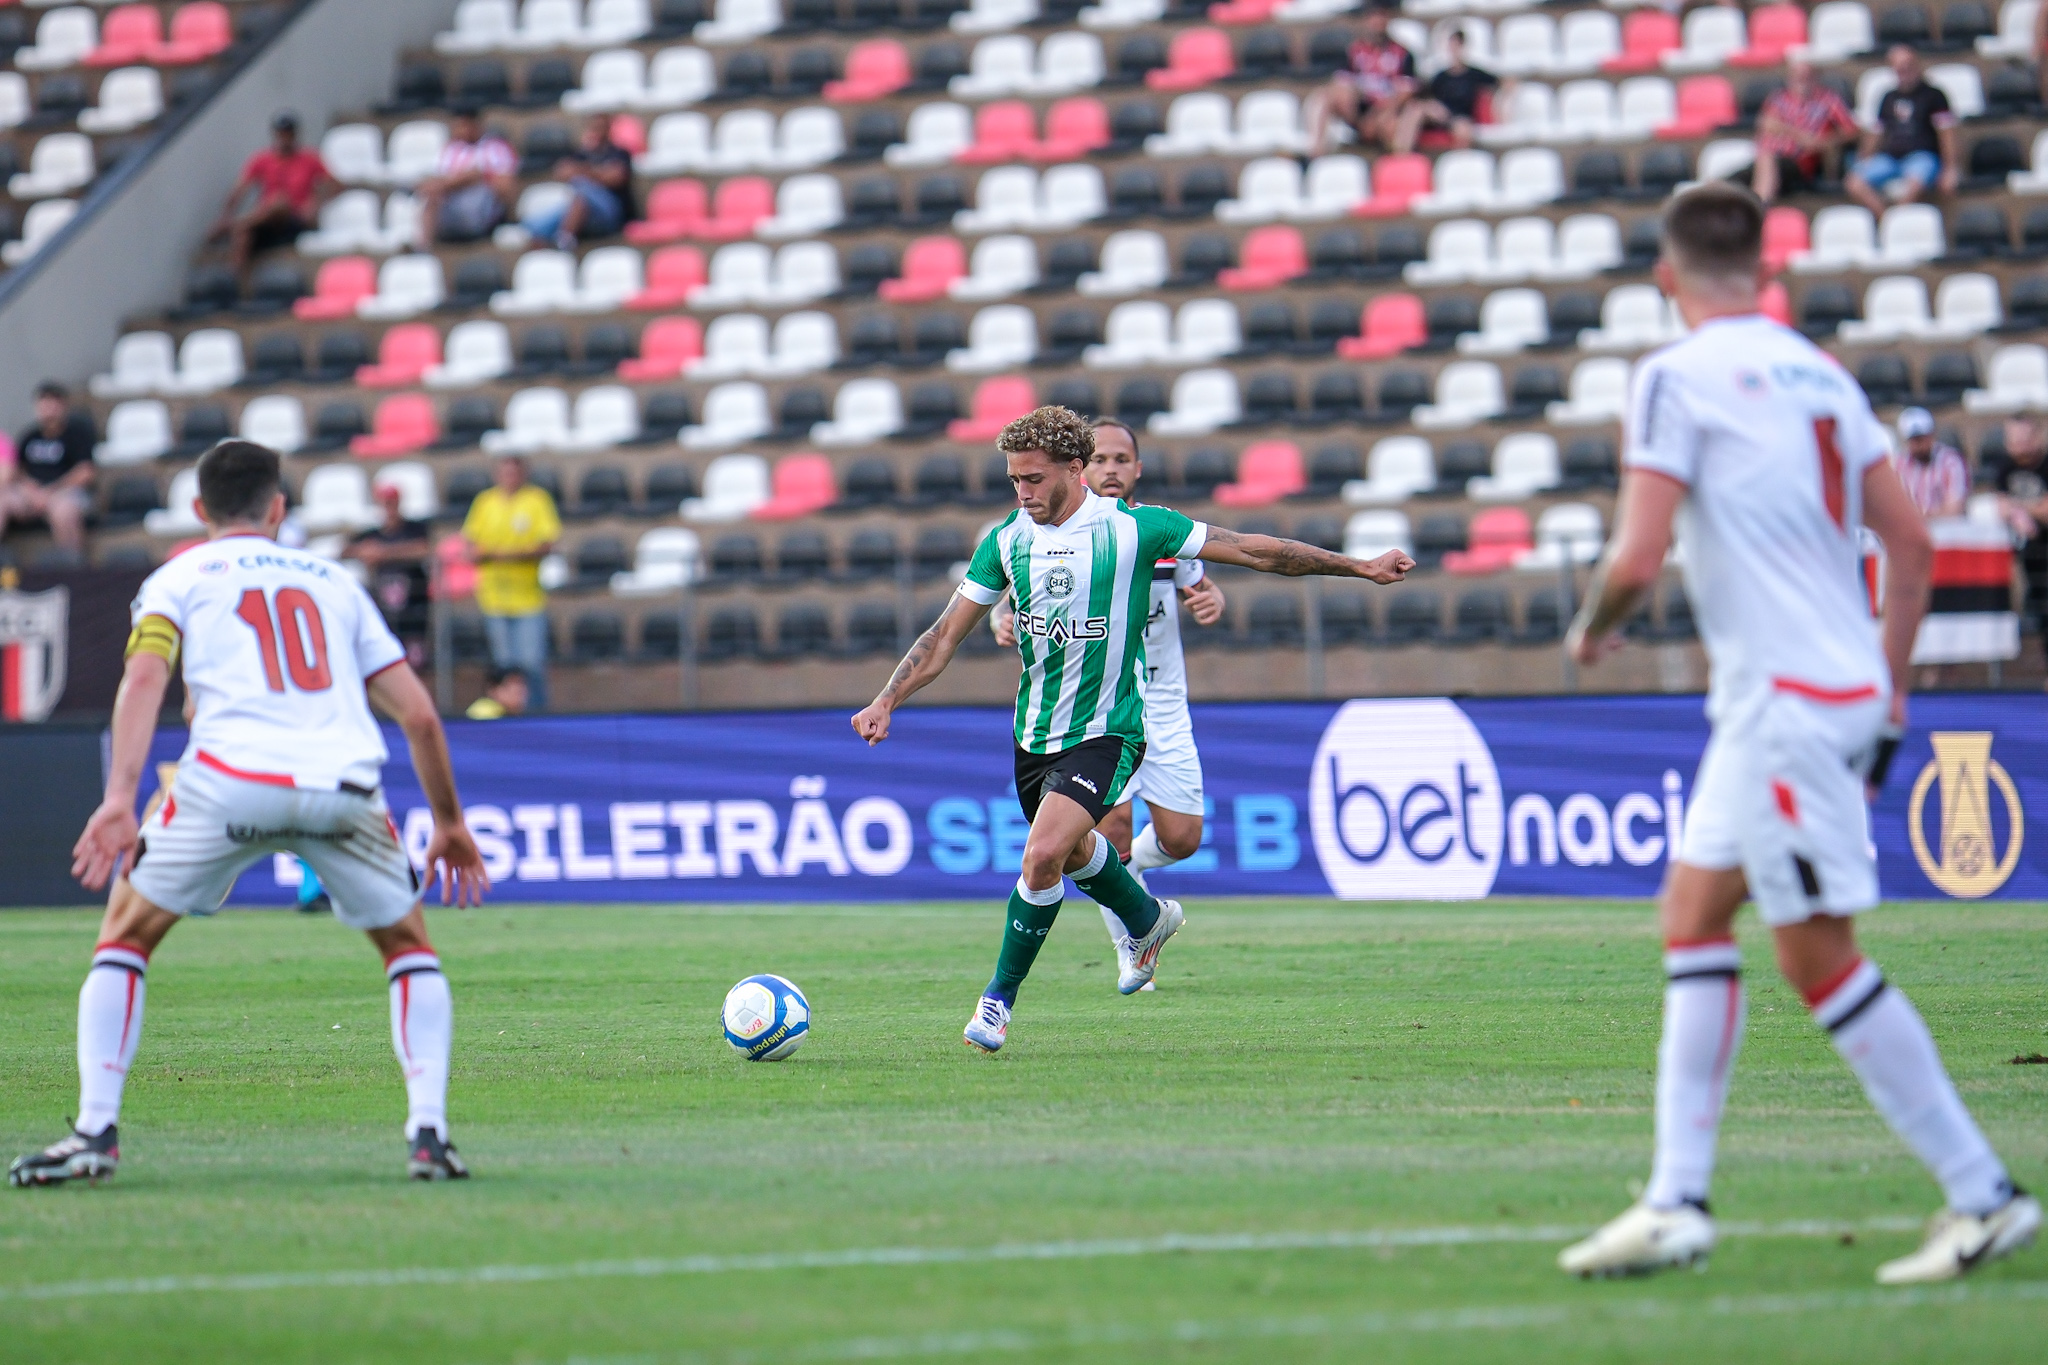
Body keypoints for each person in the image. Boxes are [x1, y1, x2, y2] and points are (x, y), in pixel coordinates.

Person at [1559, 183, 2038, 1284]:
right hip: (1805, 697)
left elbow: (1634, 559)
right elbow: (1910, 545)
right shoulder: (1819, 372)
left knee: (1812, 952)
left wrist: (1592, 631)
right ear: (1763, 272)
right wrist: (1892, 690)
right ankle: (1674, 1200)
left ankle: (1980, 1193)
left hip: (1784, 702)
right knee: (1692, 912)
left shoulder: (1672, 375)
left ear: (1664, 279)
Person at [850, 406, 1414, 1054]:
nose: (1023, 492)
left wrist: (1359, 567)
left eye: (1033, 478)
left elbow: (1258, 550)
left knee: (1041, 857)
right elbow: (945, 633)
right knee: (1073, 850)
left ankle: (996, 1004)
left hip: (1113, 727)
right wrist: (887, 698)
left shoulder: (1138, 529)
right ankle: (1146, 920)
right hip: (1035, 735)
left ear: (1072, 468)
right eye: (1013, 480)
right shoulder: (1007, 540)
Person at [8, 441, 489, 1190]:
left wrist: (119, 798)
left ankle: (94, 1130)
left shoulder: (178, 576)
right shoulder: (337, 581)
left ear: (199, 511)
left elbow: (143, 677)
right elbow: (421, 717)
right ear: (279, 510)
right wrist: (450, 824)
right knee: (406, 946)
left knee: (126, 936)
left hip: (227, 780)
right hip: (341, 786)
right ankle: (429, 1132)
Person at [991, 419, 1225, 991]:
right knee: (1105, 831)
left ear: (1138, 469)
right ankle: (1132, 948)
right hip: (1098, 708)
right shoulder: (1039, 536)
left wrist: (1212, 598)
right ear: (1080, 469)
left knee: (1183, 838)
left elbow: (1200, 583)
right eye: (1101, 460)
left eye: (1123, 459)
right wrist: (1001, 617)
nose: (1111, 468)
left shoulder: (1152, 532)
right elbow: (1010, 596)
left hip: (1162, 699)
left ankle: (1136, 878)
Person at [462, 454, 559, 712]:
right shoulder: (485, 502)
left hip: (528, 599)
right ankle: (506, 718)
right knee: (503, 665)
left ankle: (538, 716)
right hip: (494, 598)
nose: (510, 478)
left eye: (514, 472)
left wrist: (502, 555)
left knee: (531, 663)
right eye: (505, 472)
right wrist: (508, 553)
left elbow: (547, 543)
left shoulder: (537, 500)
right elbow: (471, 546)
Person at [208, 112, 338, 273]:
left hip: (294, 219)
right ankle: (235, 281)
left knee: (279, 203)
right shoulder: (262, 159)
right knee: (243, 235)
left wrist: (316, 205)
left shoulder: (309, 158)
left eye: (288, 134)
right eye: (281, 134)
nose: (285, 138)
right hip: (265, 220)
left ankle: (233, 226)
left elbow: (334, 185)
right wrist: (225, 214)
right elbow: (239, 189)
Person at [1846, 47, 1958, 215]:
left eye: (1907, 65)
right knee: (1854, 182)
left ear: (1917, 65)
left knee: (1914, 184)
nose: (1904, 70)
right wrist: (1864, 159)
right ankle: (1886, 218)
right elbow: (1877, 133)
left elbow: (1947, 133)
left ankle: (1897, 220)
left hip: (1922, 156)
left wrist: (1950, 168)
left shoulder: (1934, 95)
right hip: (1891, 159)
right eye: (1899, 66)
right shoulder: (1888, 97)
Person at [1, 382, 97, 561]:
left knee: (64, 510)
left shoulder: (77, 435)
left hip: (64, 492)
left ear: (63, 407)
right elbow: (18, 471)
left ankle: (72, 563)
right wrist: (31, 490)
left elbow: (85, 472)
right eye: (44, 405)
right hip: (31, 494)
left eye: (53, 405)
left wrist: (51, 491)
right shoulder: (30, 436)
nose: (48, 410)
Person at [1307, 7, 1418, 158]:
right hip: (1359, 110)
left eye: (1381, 16)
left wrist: (1378, 114)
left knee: (1394, 124)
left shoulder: (1402, 53)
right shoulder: (1355, 50)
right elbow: (1341, 82)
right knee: (1322, 97)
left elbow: (1406, 92)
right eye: (1373, 17)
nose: (1377, 22)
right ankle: (1316, 152)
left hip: (1385, 111)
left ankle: (1392, 162)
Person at [1748, 58, 1858, 203]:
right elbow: (1767, 124)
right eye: (1797, 75)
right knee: (1729, 181)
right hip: (1766, 156)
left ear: (1816, 77)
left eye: (1806, 75)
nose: (1801, 80)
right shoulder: (1778, 98)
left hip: (1798, 161)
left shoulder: (1828, 100)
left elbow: (1851, 131)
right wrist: (1799, 135)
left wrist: (1822, 142)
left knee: (1768, 161)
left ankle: (1761, 205)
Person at [346, 483, 433, 664]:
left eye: (392, 503)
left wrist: (384, 553)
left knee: (417, 659)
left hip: (413, 606)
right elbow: (345, 549)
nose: (389, 508)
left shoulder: (414, 529)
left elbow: (424, 548)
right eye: (385, 503)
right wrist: (364, 551)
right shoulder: (371, 534)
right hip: (384, 608)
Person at [521, 114, 636, 251]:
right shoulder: (581, 154)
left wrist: (582, 171)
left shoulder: (618, 153)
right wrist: (594, 170)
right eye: (594, 128)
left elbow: (615, 176)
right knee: (538, 224)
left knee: (582, 194)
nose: (597, 132)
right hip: (584, 213)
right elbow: (562, 171)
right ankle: (540, 241)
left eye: (600, 128)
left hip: (610, 213)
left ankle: (564, 240)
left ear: (608, 130)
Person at [1985, 415, 2048, 650]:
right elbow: (2001, 506)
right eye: (2014, 440)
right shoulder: (2005, 467)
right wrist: (2025, 511)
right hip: (2028, 550)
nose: (2019, 446)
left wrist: (2020, 507)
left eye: (2024, 439)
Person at [413, 105, 518, 246]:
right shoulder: (451, 149)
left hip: (483, 202)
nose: (459, 130)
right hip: (452, 202)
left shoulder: (495, 147)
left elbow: (502, 182)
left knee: (471, 175)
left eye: (463, 126)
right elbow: (440, 176)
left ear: (475, 125)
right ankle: (422, 247)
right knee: (432, 195)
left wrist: (448, 183)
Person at [1414, 29, 1500, 151]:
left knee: (1462, 128)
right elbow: (1427, 96)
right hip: (1441, 117)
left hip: (1461, 117)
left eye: (1458, 45)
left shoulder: (1474, 74)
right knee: (1415, 110)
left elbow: (1497, 83)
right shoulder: (1440, 77)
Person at [1890, 408, 1969, 520]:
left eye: (1922, 439)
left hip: (1946, 529)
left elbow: (1954, 509)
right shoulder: (1900, 465)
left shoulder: (1951, 463)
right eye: (1914, 440)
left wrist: (1924, 518)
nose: (1919, 446)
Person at [466, 666, 530, 720]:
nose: (519, 691)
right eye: (510, 686)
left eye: (522, 685)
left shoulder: (517, 718)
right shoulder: (483, 714)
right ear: (492, 690)